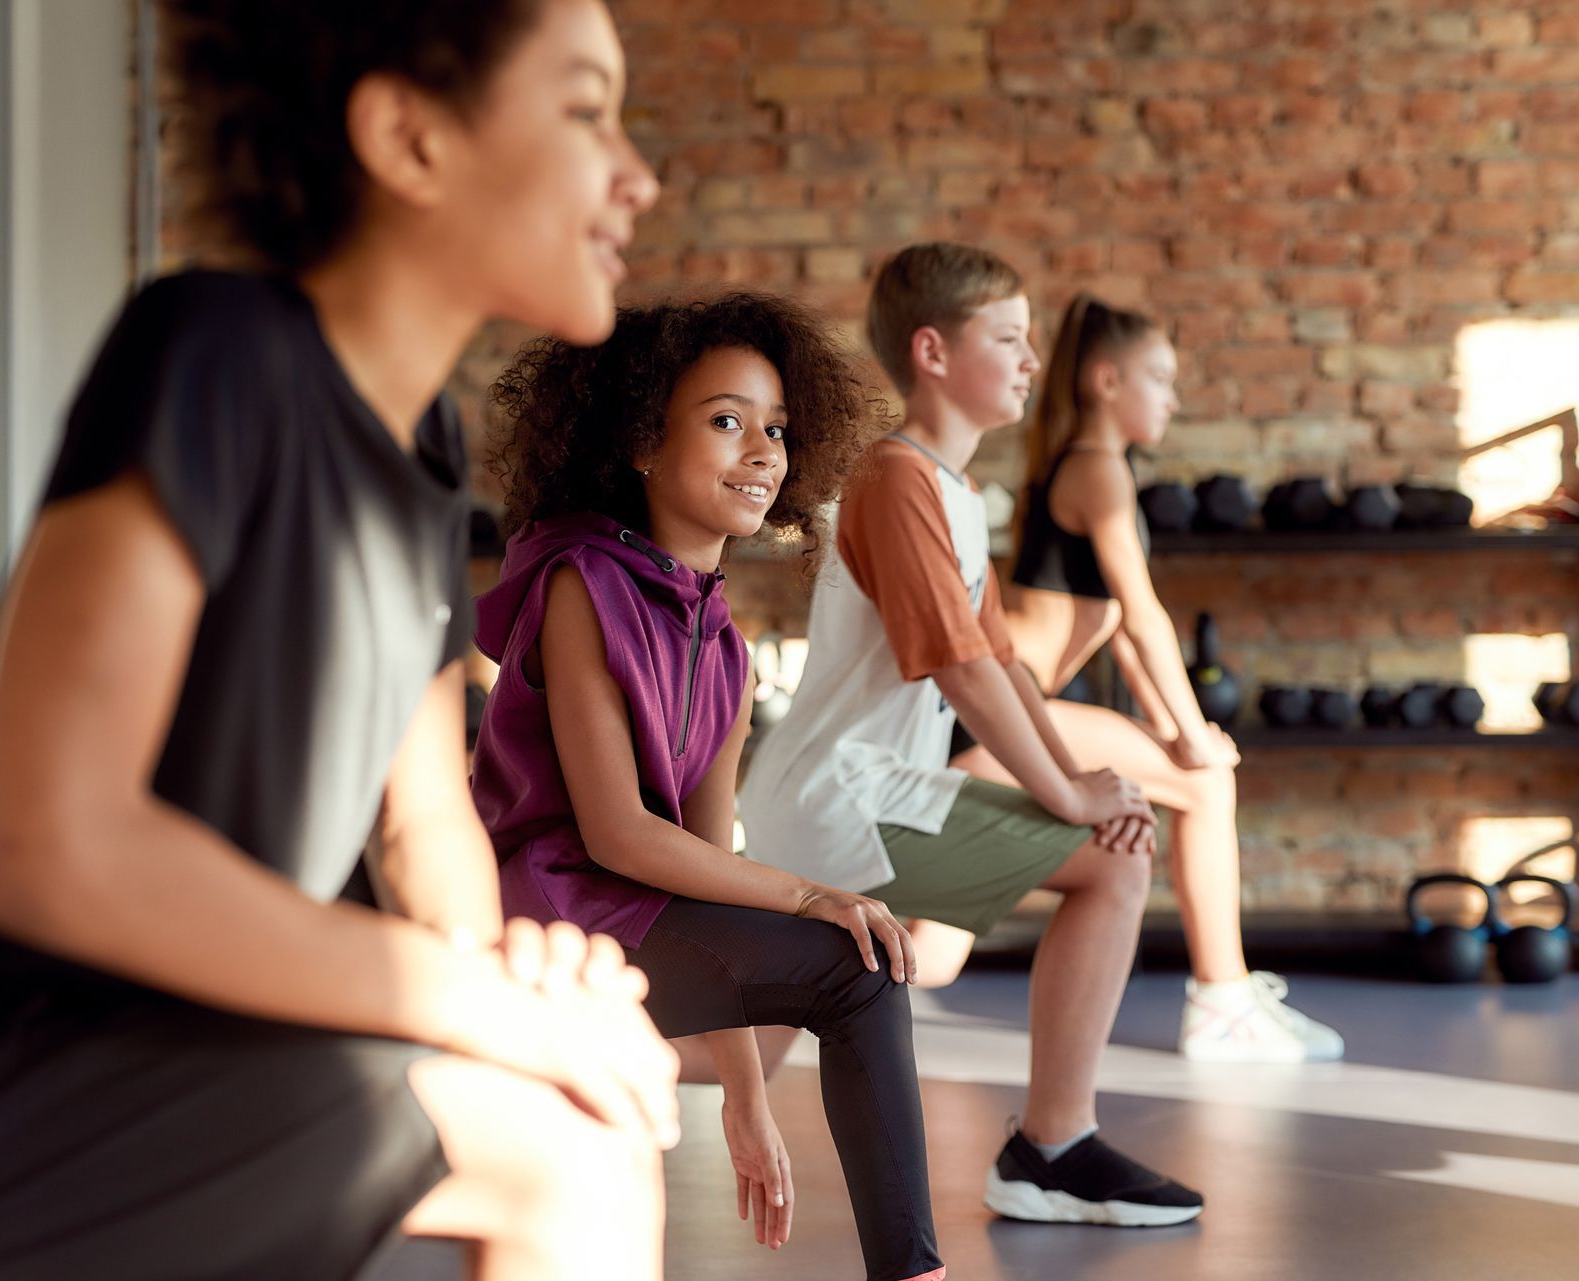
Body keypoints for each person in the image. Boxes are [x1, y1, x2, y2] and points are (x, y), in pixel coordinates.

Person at [0, 3, 677, 1278]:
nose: (636, 174)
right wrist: (476, 1005)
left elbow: (421, 823)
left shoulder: (425, 452)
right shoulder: (213, 351)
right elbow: (45, 847)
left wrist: (518, 985)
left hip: (121, 1037)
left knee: (578, 1120)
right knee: (568, 1158)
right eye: (583, 109)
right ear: (409, 138)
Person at [474, 293, 946, 1281]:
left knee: (864, 969)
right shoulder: (581, 584)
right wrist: (814, 895)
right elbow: (618, 838)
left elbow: (704, 860)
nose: (764, 451)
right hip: (546, 917)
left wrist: (744, 1092)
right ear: (644, 441)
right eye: (727, 420)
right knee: (852, 957)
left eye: (776, 428)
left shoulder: (723, 643)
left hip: (634, 920)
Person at [740, 243, 1205, 1228]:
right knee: (1112, 862)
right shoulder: (897, 477)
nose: (1033, 360)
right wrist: (1074, 798)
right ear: (933, 352)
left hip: (866, 792)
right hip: (844, 795)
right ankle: (1051, 1148)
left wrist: (1084, 776)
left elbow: (1006, 669)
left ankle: (1052, 1147)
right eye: (1008, 338)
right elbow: (959, 667)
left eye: (1032, 340)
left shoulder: (949, 490)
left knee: (723, 1055)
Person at [988, 293, 1345, 1064]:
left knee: (934, 950)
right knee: (1209, 786)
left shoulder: (1090, 466)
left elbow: (1117, 632)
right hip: (1004, 708)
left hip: (1025, 704)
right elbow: (1146, 618)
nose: (1173, 397)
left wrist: (1175, 733)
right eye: (1159, 377)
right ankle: (1224, 1001)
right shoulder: (1096, 471)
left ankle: (1231, 997)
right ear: (1106, 380)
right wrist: (1191, 740)